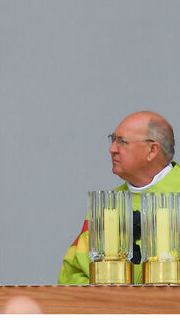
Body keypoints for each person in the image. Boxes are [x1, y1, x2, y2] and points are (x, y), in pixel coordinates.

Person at [58, 111, 180, 284]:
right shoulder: (109, 206)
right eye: (112, 139)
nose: (112, 149)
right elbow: (72, 275)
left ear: (152, 150)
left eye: (122, 142)